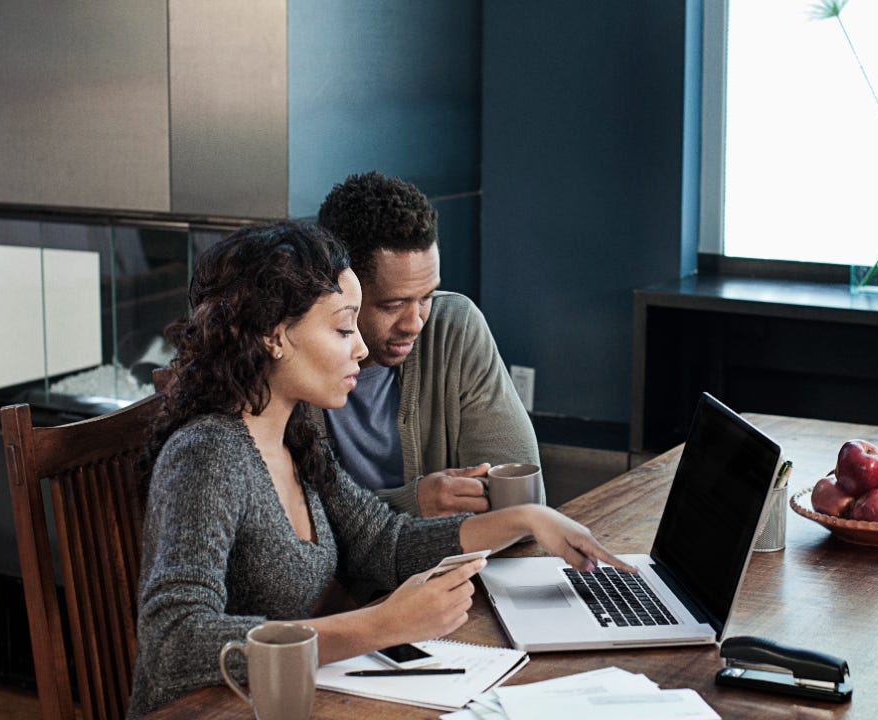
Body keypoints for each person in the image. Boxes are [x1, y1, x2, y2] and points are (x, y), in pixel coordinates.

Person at [127, 221, 629, 718]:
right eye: (344, 328)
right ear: (274, 337)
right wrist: (379, 625)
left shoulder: (293, 433)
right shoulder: (208, 455)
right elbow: (173, 642)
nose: (361, 349)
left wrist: (525, 520)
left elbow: (382, 542)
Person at [314, 171, 539, 518]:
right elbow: (289, 540)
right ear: (339, 286)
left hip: (452, 567)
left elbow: (519, 498)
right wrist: (412, 503)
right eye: (392, 305)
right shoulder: (289, 356)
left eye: (426, 296)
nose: (415, 322)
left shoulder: (454, 327)